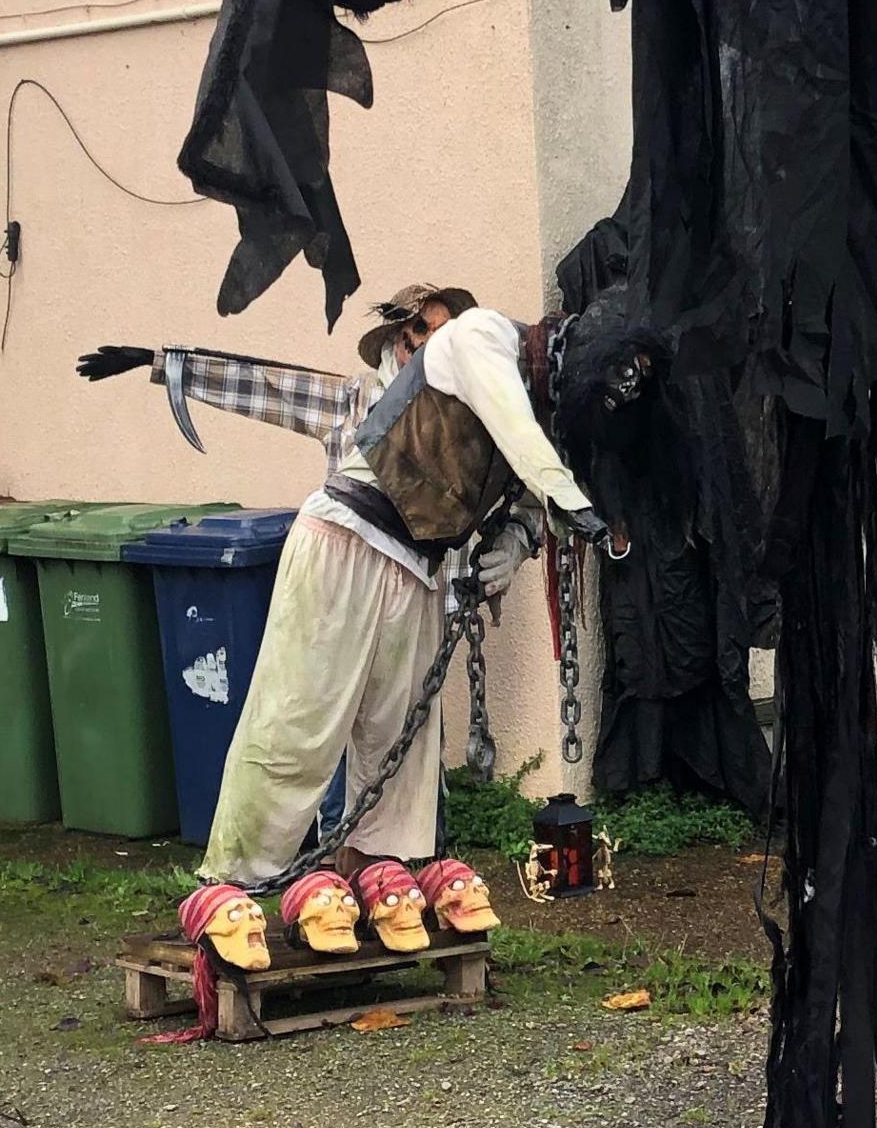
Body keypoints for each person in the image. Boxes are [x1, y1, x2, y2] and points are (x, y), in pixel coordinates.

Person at [80, 280, 604, 972]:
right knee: (298, 721)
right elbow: (266, 387)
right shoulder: (376, 394)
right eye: (417, 328)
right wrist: (162, 362)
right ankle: (233, 884)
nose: (428, 337)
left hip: (418, 572)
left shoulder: (507, 409)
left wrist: (501, 558)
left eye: (438, 324)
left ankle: (379, 871)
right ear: (400, 340)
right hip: (346, 544)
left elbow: (518, 511)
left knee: (403, 743)